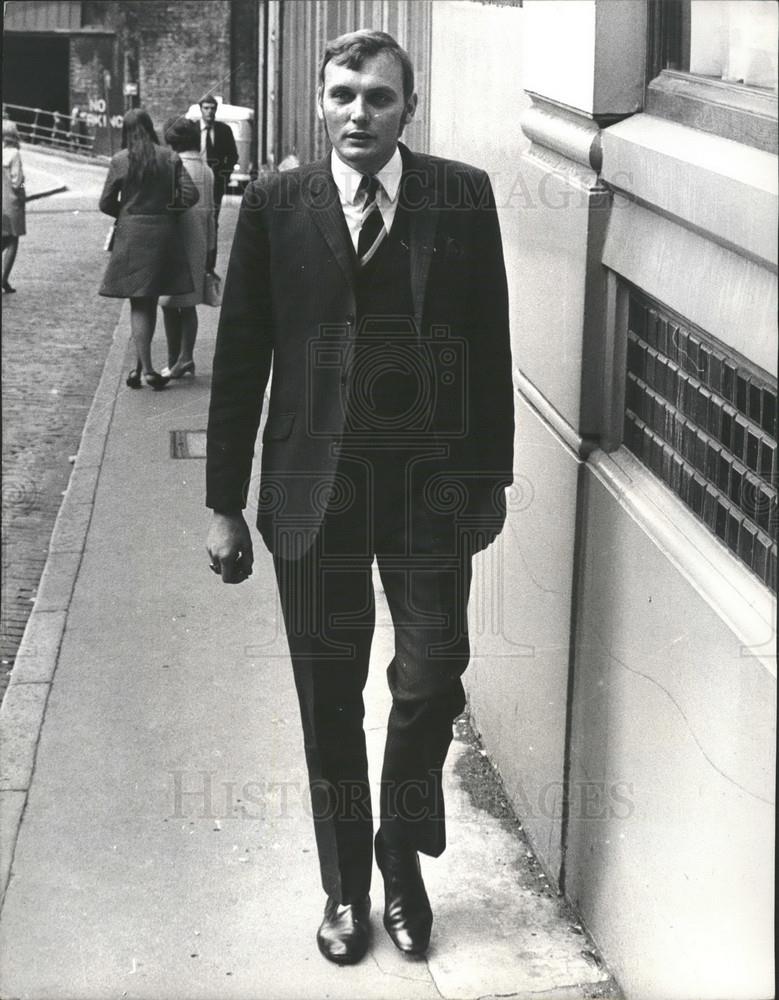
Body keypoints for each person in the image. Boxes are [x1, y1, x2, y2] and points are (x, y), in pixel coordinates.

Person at [205, 30, 513, 965]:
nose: (357, 114)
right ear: (320, 102)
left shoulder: (459, 195)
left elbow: (491, 344)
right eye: (343, 95)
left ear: (406, 108)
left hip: (428, 491)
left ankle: (400, 853)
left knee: (429, 681)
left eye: (378, 97)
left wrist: (490, 478)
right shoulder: (273, 203)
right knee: (328, 701)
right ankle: (347, 891)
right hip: (316, 493)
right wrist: (223, 501)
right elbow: (241, 358)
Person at [98, 108, 199, 389]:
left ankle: (147, 370)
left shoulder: (120, 161)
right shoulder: (169, 157)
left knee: (139, 303)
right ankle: (139, 367)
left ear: (126, 132)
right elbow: (192, 195)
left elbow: (105, 203)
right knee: (150, 299)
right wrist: (169, 211)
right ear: (149, 127)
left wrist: (127, 212)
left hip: (132, 237)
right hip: (163, 235)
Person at [158, 115, 216, 380]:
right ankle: (182, 358)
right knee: (188, 302)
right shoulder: (207, 170)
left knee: (169, 302)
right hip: (200, 240)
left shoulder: (174, 165)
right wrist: (211, 248)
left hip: (177, 239)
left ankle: (180, 358)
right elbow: (212, 214)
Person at [197, 95, 238, 265]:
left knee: (212, 222)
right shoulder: (193, 130)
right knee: (196, 221)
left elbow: (233, 155)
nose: (209, 112)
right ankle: (197, 262)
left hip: (216, 185)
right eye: (206, 108)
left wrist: (224, 176)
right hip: (196, 183)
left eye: (212, 108)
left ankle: (210, 265)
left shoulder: (224, 130)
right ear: (201, 109)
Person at [2, 119, 25, 294]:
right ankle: (4, 279)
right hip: (12, 202)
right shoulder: (14, 154)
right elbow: (16, 181)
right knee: (13, 240)